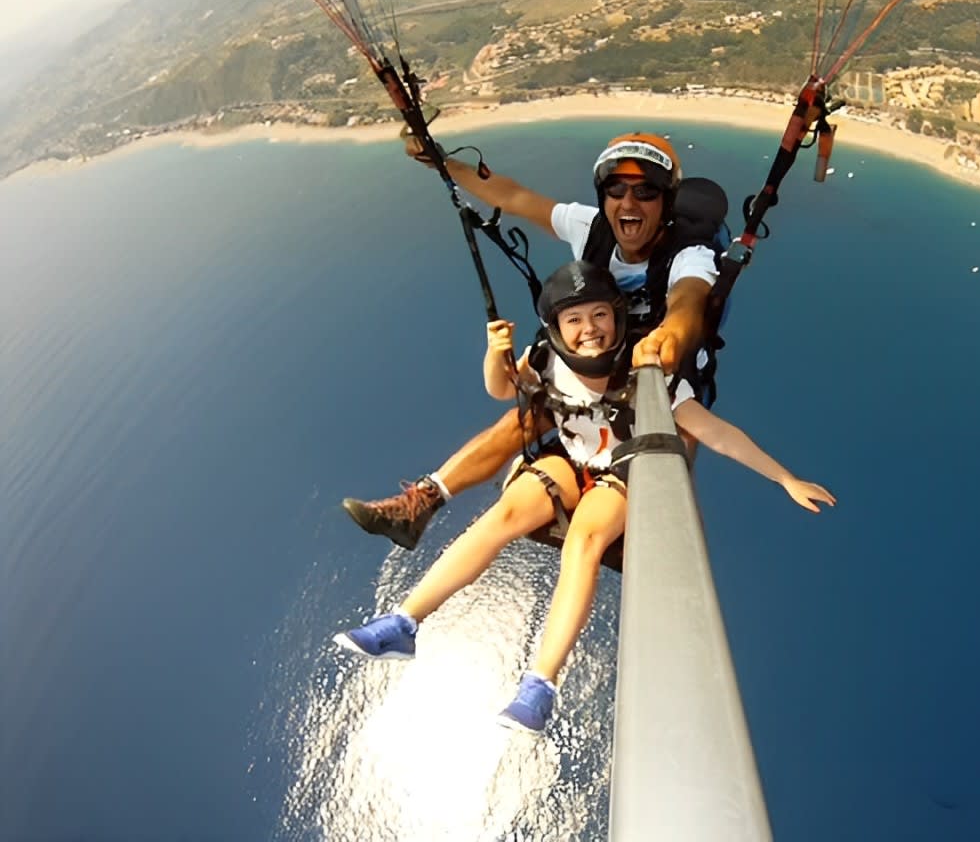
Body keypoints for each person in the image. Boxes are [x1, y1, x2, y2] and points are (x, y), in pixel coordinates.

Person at [334, 261, 835, 732]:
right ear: (556, 327)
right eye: (574, 319)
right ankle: (404, 622)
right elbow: (502, 388)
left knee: (584, 540)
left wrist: (783, 478)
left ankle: (541, 682)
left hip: (622, 471)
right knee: (504, 513)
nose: (590, 329)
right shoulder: (547, 360)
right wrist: (495, 352)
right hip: (572, 462)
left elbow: (718, 433)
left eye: (600, 315)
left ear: (618, 318)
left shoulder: (650, 378)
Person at [342, 133, 723, 551]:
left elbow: (688, 301)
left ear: (666, 202)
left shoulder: (691, 255)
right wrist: (445, 163)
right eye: (616, 189)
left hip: (654, 378)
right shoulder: (591, 226)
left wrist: (669, 336)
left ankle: (672, 548)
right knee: (519, 420)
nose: (628, 202)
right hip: (595, 364)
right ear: (604, 195)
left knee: (674, 452)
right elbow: (513, 195)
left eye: (646, 191)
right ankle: (421, 504)